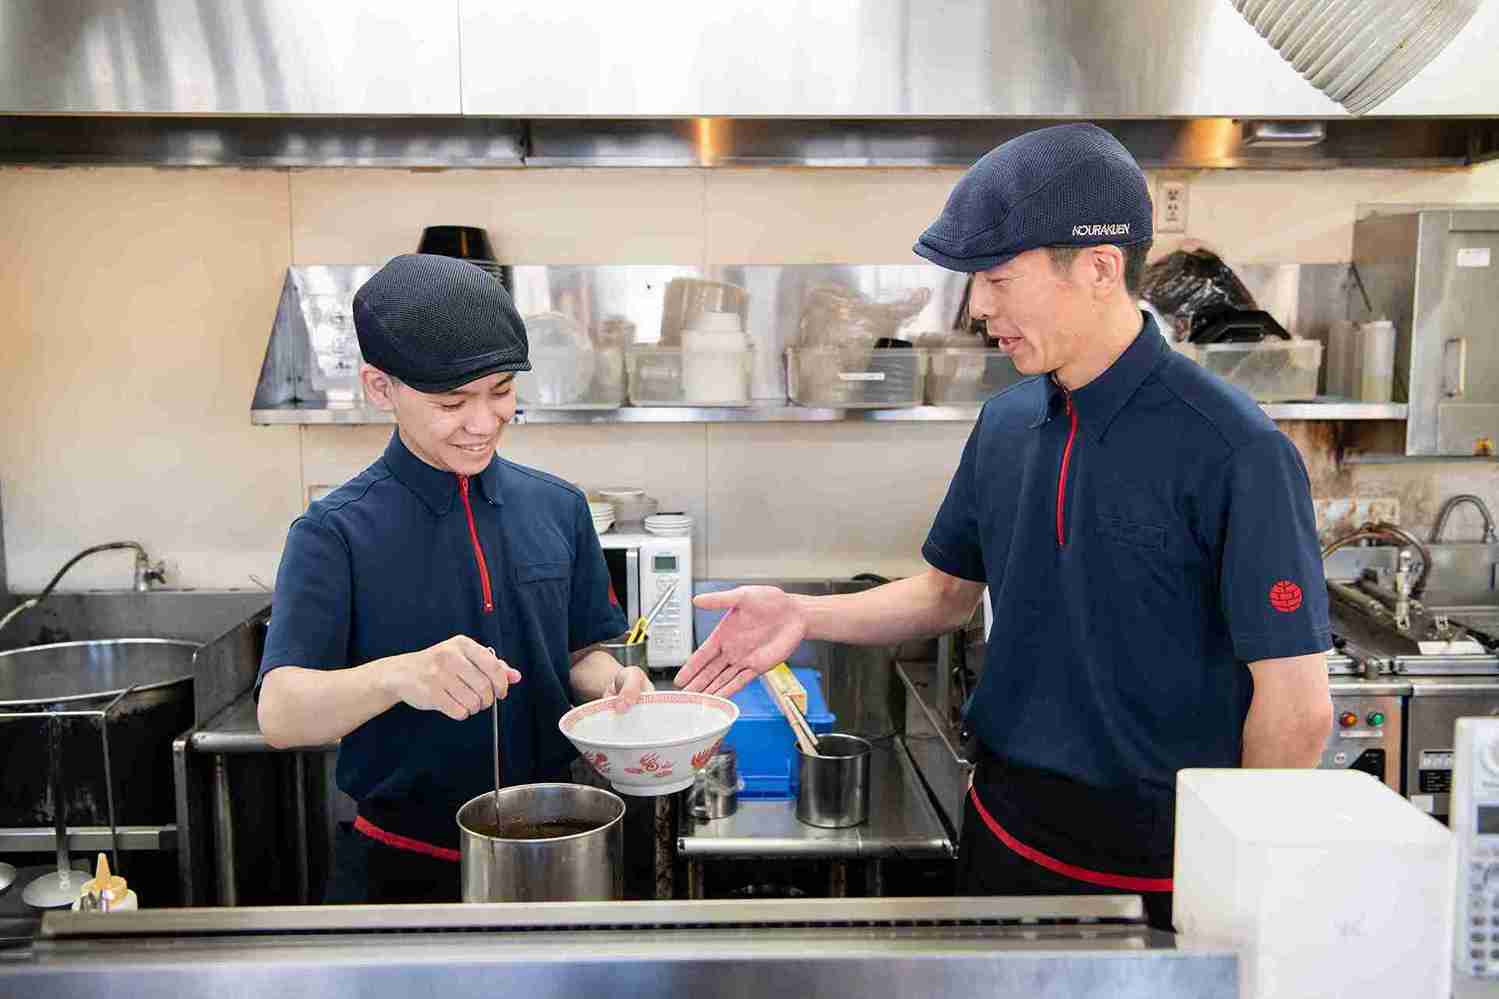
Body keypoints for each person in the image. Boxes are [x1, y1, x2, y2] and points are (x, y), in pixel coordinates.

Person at [676, 123, 1333, 929]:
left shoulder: (1233, 448)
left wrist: (1230, 887)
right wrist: (802, 614)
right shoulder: (1007, 420)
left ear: (1099, 268)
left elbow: (1297, 708)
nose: (978, 306)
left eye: (996, 277)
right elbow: (945, 594)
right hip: (1002, 840)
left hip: (1158, 878)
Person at [256, 253, 650, 903]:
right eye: (452, 401)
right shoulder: (334, 532)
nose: (483, 422)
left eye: (501, 391)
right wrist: (400, 675)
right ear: (380, 388)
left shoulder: (558, 506)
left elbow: (580, 652)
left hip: (556, 850)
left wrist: (613, 684)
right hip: (398, 872)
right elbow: (280, 712)